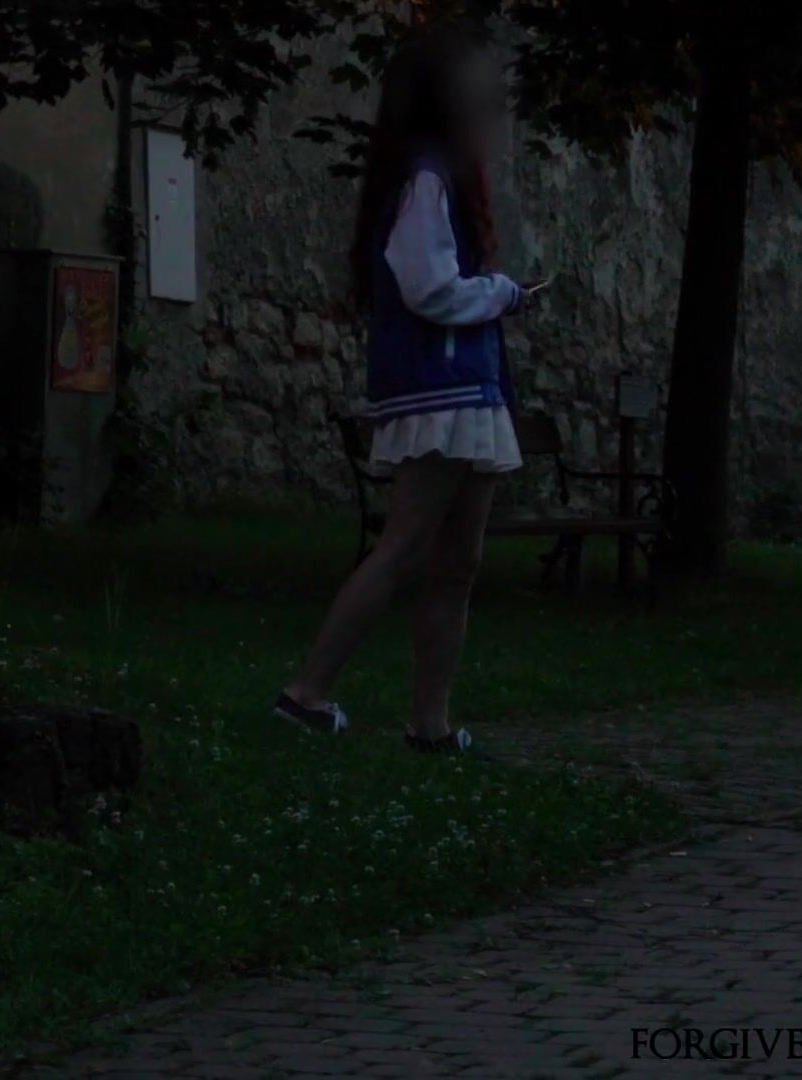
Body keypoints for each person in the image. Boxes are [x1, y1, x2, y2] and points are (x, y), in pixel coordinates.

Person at [275, 27, 537, 753]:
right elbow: (429, 288)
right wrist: (502, 293)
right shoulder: (426, 178)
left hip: (465, 388)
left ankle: (430, 723)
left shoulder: (441, 174)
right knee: (406, 548)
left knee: (457, 565)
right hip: (440, 389)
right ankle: (306, 693)